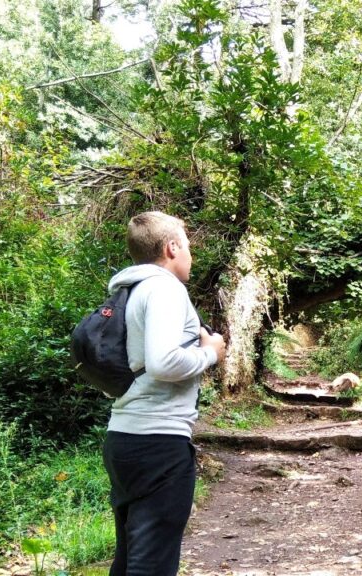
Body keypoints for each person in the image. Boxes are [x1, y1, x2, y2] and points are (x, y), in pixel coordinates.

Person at [101, 211, 226, 576]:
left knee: (129, 559)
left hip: (125, 436)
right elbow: (163, 363)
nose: (191, 255)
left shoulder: (133, 289)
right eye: (187, 246)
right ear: (171, 247)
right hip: (158, 444)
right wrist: (211, 353)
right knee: (151, 564)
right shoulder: (166, 289)